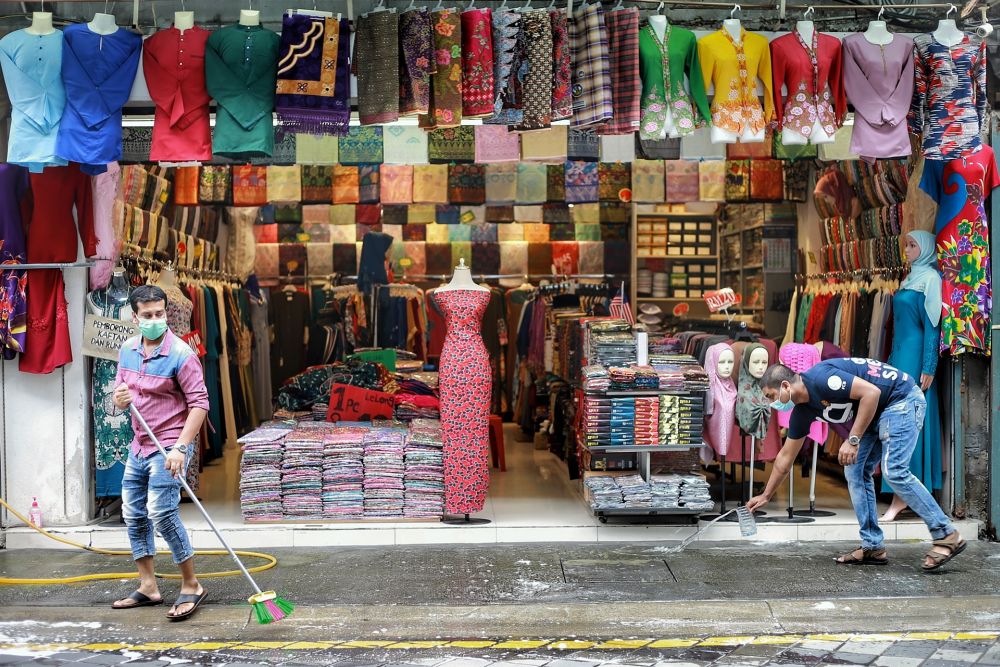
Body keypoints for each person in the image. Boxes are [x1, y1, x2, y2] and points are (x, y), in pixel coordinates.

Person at [748, 358, 964, 571]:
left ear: (785, 385)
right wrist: (766, 495)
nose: (771, 403)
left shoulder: (822, 379)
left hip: (902, 399)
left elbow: (872, 393)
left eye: (771, 396)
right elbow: (785, 457)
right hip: (877, 413)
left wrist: (853, 440)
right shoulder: (802, 412)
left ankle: (946, 534)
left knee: (894, 470)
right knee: (855, 471)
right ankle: (873, 546)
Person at [110, 285, 210, 620]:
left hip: (169, 443)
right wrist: (119, 400)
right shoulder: (126, 350)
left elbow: (199, 405)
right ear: (135, 316)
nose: (155, 320)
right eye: (148, 315)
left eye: (160, 314)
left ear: (167, 313)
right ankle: (148, 585)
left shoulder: (182, 354)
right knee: (134, 514)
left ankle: (191, 584)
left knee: (162, 513)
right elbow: (120, 394)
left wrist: (181, 448)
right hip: (139, 443)